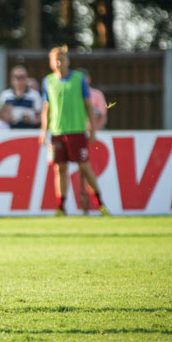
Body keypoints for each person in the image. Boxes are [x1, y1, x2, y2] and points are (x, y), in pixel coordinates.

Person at [39, 46, 109, 216]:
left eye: (61, 59)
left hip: (77, 130)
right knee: (59, 169)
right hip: (57, 131)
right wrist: (43, 131)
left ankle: (100, 204)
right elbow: (46, 109)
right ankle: (61, 207)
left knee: (85, 167)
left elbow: (88, 107)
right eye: (55, 60)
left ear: (67, 61)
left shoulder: (79, 79)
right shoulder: (48, 81)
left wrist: (92, 131)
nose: (58, 63)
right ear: (50, 63)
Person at [77, 68, 108, 213]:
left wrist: (94, 132)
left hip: (92, 138)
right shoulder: (73, 96)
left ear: (88, 79)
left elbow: (102, 116)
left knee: (87, 171)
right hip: (76, 135)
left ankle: (97, 203)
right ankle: (85, 207)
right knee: (82, 172)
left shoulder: (96, 95)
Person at [0, 65, 42, 129]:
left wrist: (32, 121)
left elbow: (41, 115)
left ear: (26, 78)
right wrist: (7, 117)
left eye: (22, 77)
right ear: (12, 79)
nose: (19, 80)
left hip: (28, 130)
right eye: (17, 77)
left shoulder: (35, 95)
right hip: (9, 131)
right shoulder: (5, 95)